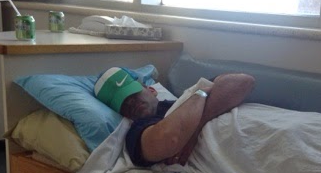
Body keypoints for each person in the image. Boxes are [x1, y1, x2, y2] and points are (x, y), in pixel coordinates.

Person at [94, 67, 254, 167]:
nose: (131, 103)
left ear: (151, 89)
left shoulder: (191, 97)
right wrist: (203, 96)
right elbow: (168, 139)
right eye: (123, 103)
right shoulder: (136, 131)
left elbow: (244, 81)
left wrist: (196, 126)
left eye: (133, 94)